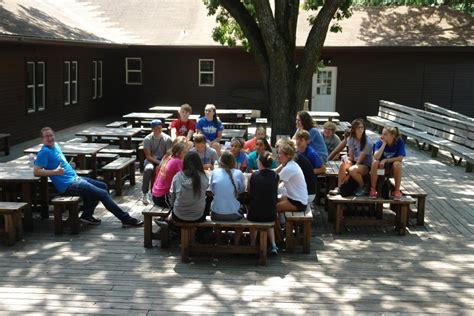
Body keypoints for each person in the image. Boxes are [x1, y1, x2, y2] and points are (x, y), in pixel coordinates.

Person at [33, 127, 143, 227]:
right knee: (102, 193)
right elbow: (36, 172)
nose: (50, 138)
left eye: (51, 135)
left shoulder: (55, 146)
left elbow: (60, 162)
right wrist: (55, 172)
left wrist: (69, 165)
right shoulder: (44, 152)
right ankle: (125, 218)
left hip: (75, 179)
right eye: (46, 136)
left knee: (103, 186)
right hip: (68, 185)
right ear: (42, 139)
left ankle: (87, 215)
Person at [247, 151, 279, 255]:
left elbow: (249, 191)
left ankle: (252, 244)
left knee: (256, 208)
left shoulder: (253, 175)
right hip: (271, 214)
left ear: (260, 162)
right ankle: (273, 245)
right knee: (267, 207)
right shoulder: (275, 176)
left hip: (255, 215)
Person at [334, 119, 373, 196]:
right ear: (354, 129)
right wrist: (346, 159)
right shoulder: (351, 139)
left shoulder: (368, 142)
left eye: (362, 127)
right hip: (355, 162)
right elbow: (351, 157)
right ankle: (339, 187)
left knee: (352, 170)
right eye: (358, 127)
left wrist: (348, 175)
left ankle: (363, 187)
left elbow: (360, 160)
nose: (361, 129)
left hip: (365, 165)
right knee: (343, 165)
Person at [168, 151, 209, 222]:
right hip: (199, 216)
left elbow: (172, 195)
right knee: (209, 198)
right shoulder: (204, 176)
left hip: (178, 216)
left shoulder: (178, 176)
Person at [369, 126, 406, 200]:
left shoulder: (399, 141)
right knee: (375, 162)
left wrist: (386, 160)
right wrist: (384, 144)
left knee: (397, 164)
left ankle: (396, 191)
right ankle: (373, 189)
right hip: (380, 168)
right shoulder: (380, 141)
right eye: (382, 134)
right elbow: (376, 157)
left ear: (393, 135)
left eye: (385, 134)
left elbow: (400, 158)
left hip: (392, 169)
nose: (382, 136)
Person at [276, 139, 316, 204]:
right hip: (303, 193)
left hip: (307, 194)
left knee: (275, 200)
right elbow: (276, 173)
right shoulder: (291, 161)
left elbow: (275, 179)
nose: (277, 155)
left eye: (280, 152)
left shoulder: (293, 162)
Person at [142, 119, 172, 205]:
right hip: (151, 160)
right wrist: (159, 162)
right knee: (148, 169)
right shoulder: (147, 139)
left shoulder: (167, 139)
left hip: (163, 159)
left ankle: (155, 192)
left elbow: (168, 154)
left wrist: (162, 163)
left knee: (159, 170)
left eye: (160, 128)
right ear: (152, 129)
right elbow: (148, 155)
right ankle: (144, 193)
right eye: (156, 128)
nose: (158, 130)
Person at [275, 140, 308, 213]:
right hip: (295, 198)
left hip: (299, 202)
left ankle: (281, 224)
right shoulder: (291, 164)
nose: (278, 155)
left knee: (275, 207)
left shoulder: (288, 168)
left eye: (280, 153)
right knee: (275, 200)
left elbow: (273, 182)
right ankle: (282, 222)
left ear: (288, 155)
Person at [151, 142, 186, 208]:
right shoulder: (177, 162)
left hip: (155, 195)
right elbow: (184, 179)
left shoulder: (168, 158)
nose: (186, 154)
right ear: (177, 153)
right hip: (163, 197)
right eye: (184, 152)